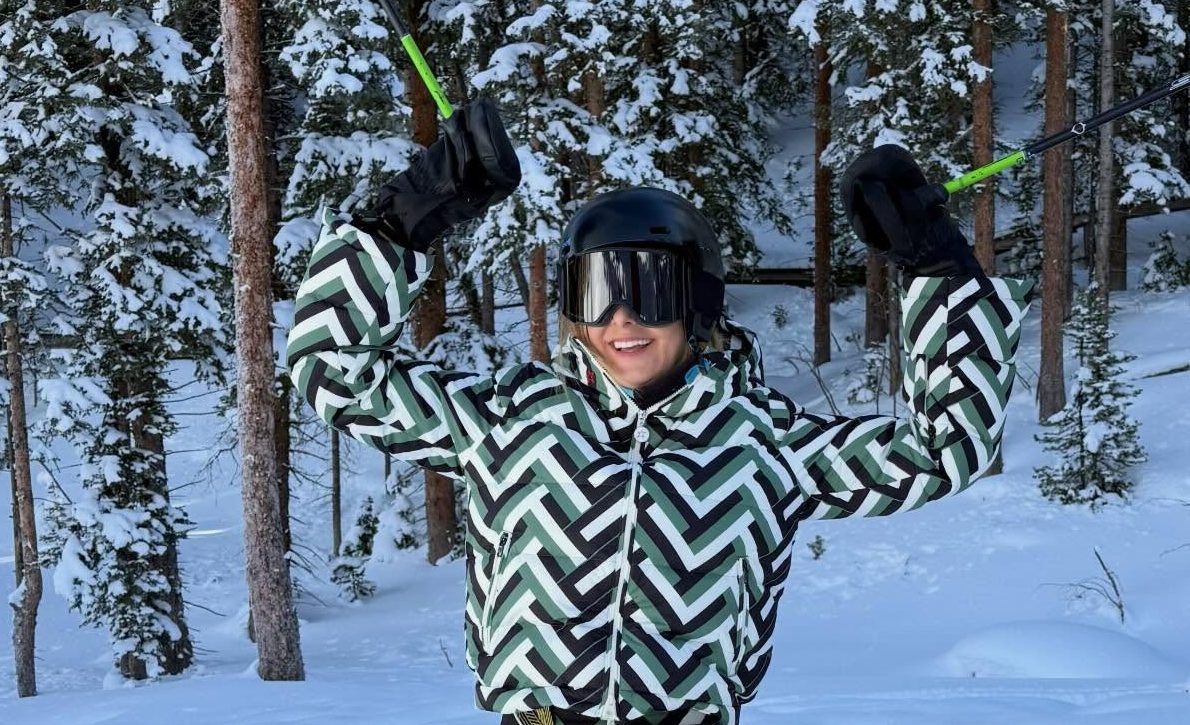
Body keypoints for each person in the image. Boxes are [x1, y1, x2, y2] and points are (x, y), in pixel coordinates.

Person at [286, 99, 1032, 725]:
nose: (620, 317)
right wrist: (400, 218)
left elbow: (944, 450)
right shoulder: (512, 424)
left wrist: (938, 267)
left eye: (648, 287)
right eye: (596, 290)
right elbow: (333, 369)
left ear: (697, 302)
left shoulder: (759, 443)